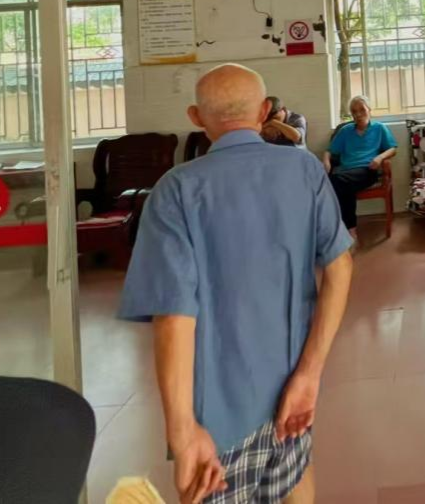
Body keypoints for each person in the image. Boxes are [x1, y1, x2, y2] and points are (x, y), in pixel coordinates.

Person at [117, 64, 353, 504]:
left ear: (195, 117)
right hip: (293, 389)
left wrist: (183, 430)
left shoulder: (176, 190)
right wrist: (309, 374)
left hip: (220, 415)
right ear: (264, 111)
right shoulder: (304, 170)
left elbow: (174, 316)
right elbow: (340, 268)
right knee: (295, 477)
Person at [322, 95, 397, 238]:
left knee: (336, 182)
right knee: (343, 186)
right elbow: (329, 150)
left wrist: (380, 157)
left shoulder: (379, 128)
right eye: (354, 111)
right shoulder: (346, 131)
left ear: (369, 110)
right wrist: (326, 161)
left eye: (362, 110)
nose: (358, 114)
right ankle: (350, 229)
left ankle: (343, 229)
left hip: (367, 170)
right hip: (346, 172)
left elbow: (392, 149)